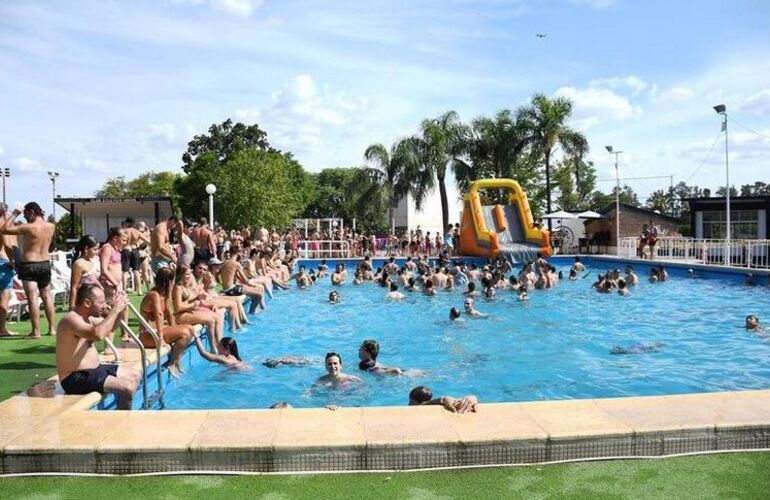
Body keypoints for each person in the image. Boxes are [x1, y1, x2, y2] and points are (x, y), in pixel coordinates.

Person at [56, 284, 140, 409]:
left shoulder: (88, 318)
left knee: (136, 374)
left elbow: (112, 327)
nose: (104, 306)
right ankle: (124, 420)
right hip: (75, 378)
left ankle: (122, 410)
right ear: (87, 302)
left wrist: (120, 309)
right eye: (101, 302)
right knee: (126, 387)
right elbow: (98, 335)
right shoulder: (71, 320)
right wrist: (115, 310)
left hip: (93, 370)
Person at [0, 202, 56, 338]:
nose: (24, 218)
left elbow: (4, 229)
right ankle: (52, 329)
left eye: (25, 215)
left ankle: (36, 331)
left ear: (31, 212)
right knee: (47, 297)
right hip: (44, 264)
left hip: (29, 265)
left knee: (32, 299)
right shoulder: (51, 226)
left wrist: (14, 213)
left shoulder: (28, 227)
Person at [139, 267, 194, 377]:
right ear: (169, 281)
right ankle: (172, 362)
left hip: (153, 332)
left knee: (189, 328)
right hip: (146, 336)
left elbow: (168, 311)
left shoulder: (163, 294)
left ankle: (176, 358)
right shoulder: (154, 295)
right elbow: (159, 315)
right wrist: (160, 339)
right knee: (185, 333)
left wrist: (173, 327)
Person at [173, 265, 224, 352]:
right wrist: (194, 304)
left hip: (188, 312)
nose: (190, 276)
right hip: (181, 316)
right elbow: (178, 308)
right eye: (187, 274)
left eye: (190, 274)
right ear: (180, 275)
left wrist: (198, 298)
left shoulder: (185, 285)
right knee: (210, 321)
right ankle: (213, 348)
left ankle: (219, 343)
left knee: (216, 316)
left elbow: (187, 301)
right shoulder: (178, 288)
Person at [68, 235, 101, 310]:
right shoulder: (79, 264)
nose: (97, 252)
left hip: (95, 298)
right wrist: (72, 306)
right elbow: (74, 287)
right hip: (84, 301)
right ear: (86, 249)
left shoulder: (93, 260)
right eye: (95, 249)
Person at [0, 204, 18, 337]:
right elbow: (6, 244)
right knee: (4, 297)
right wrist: (12, 260)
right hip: (4, 262)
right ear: (5, 211)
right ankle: (2, 329)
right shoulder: (3, 223)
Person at [121, 217, 151, 294]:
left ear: (127, 223)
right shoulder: (137, 232)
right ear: (134, 224)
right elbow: (147, 241)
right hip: (134, 250)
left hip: (126, 249)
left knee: (125, 272)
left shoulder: (123, 231)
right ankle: (139, 290)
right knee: (136, 271)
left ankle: (124, 291)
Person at [408, 386, 478, 414]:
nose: (408, 404)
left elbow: (422, 405)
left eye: (411, 402)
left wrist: (442, 399)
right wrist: (473, 398)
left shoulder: (422, 407)